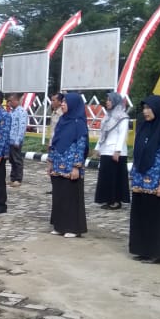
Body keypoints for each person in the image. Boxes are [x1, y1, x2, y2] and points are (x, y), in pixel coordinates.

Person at [128, 95, 160, 264]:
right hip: (141, 179)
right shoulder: (143, 127)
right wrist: (134, 175)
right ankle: (143, 249)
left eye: (149, 108)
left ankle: (157, 252)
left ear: (158, 109)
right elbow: (137, 153)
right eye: (144, 108)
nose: (146, 112)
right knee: (141, 215)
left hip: (156, 182)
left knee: (155, 217)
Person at [47, 93, 89, 237]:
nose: (63, 104)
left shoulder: (79, 124)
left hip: (71, 166)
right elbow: (55, 142)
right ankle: (60, 225)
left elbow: (81, 145)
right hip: (58, 165)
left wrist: (77, 166)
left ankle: (72, 228)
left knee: (71, 197)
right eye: (62, 102)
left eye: (65, 102)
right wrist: (50, 162)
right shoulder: (62, 121)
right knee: (59, 196)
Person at [94, 92, 130, 210]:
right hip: (106, 150)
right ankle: (108, 199)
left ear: (115, 101)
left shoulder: (123, 117)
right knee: (106, 177)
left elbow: (122, 135)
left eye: (110, 100)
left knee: (115, 178)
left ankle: (116, 201)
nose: (107, 102)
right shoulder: (107, 116)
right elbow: (103, 134)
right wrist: (97, 148)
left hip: (116, 152)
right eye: (107, 100)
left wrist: (117, 151)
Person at [7, 93, 27, 187]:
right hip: (10, 140)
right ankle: (13, 177)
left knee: (17, 160)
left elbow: (21, 127)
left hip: (16, 140)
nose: (9, 103)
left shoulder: (22, 112)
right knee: (12, 160)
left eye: (11, 101)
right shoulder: (12, 112)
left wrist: (18, 140)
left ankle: (18, 179)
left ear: (16, 101)